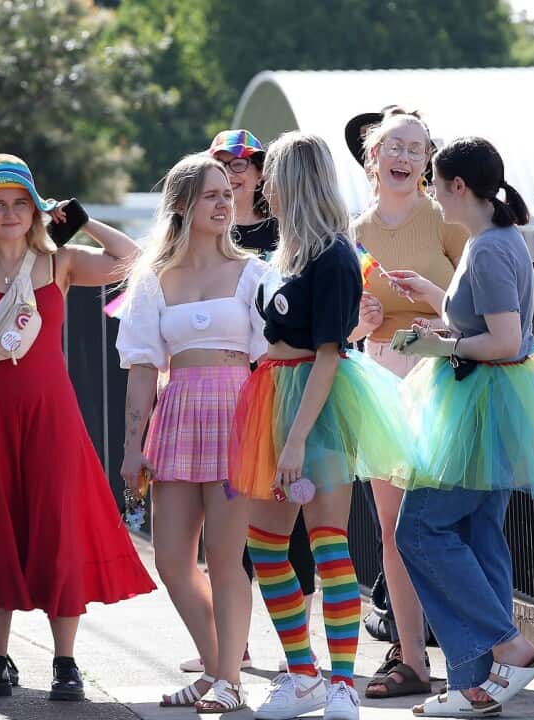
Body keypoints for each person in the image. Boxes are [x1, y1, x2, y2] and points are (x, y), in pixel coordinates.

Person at [0, 154, 155, 702]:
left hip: (51, 411)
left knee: (57, 526)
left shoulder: (62, 261)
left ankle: (65, 663)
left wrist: (82, 218)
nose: (9, 212)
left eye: (20, 202)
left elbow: (136, 261)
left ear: (34, 208)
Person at [386, 137, 534, 716]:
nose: (429, 191)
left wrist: (430, 343)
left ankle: (507, 648)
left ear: (459, 186)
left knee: (420, 533)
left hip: (480, 405)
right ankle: (476, 686)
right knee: (480, 538)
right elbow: (488, 322)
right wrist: (434, 299)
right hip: (492, 404)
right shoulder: (498, 240)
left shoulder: (487, 249)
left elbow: (504, 340)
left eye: (434, 180)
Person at [228, 132, 409, 720]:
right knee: (267, 545)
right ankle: (302, 674)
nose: (264, 188)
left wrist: (298, 439)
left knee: (329, 544)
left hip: (314, 403)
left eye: (271, 175)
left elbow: (331, 354)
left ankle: (339, 683)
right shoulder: (287, 254)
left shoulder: (334, 255)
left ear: (292, 182)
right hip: (271, 395)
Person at [116, 154, 266, 712]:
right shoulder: (153, 279)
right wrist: (133, 447)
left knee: (227, 558)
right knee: (173, 560)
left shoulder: (253, 272)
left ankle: (228, 679)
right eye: (211, 194)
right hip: (177, 415)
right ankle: (214, 669)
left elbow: (268, 359)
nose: (225, 202)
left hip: (235, 414)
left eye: (228, 192)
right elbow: (140, 368)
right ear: (183, 205)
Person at [344, 107, 468, 699]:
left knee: (448, 521)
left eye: (415, 148)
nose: (402, 156)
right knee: (392, 527)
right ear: (372, 157)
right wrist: (358, 320)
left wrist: (438, 304)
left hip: (444, 378)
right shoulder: (354, 230)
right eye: (391, 146)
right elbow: (340, 321)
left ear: (427, 161)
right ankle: (412, 658)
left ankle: (478, 654)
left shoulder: (447, 220)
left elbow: (481, 303)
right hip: (381, 379)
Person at [208, 128, 320, 676]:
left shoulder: (283, 231)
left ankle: (294, 642)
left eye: (243, 162)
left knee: (283, 515)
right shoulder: (205, 228)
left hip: (280, 381)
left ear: (259, 170)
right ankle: (237, 642)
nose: (233, 171)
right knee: (231, 512)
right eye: (221, 162)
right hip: (226, 385)